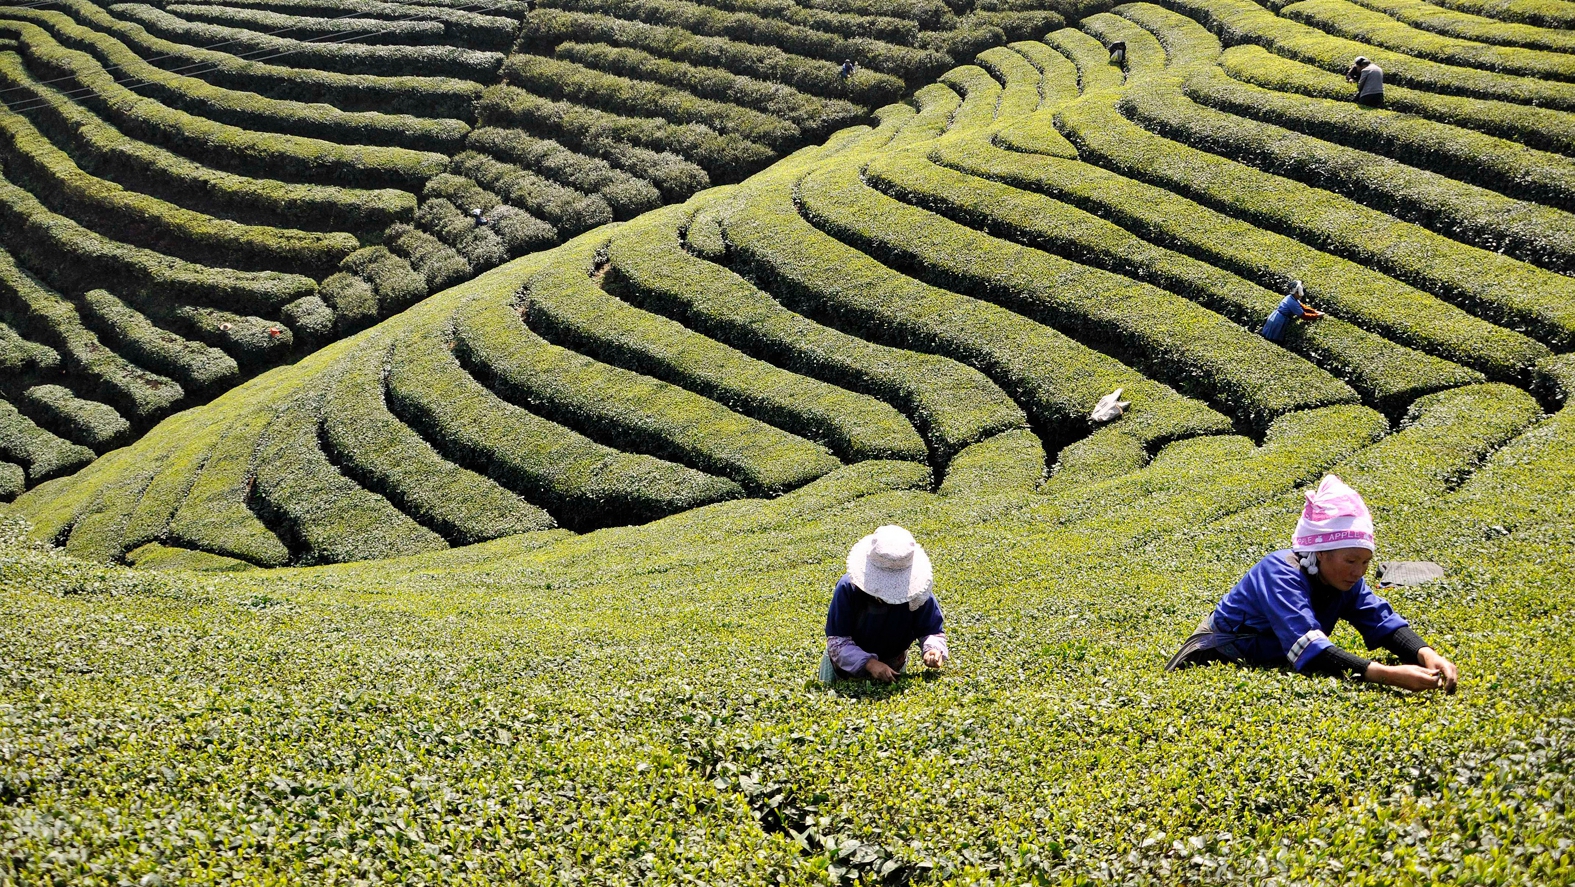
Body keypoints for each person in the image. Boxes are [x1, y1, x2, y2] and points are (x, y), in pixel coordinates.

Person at [1166, 475, 1460, 693]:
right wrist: (1386, 674)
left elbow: (1379, 619)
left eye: (1366, 562)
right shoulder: (1279, 573)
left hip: (1271, 656)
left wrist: (1427, 654)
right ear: (1320, 553)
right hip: (1217, 656)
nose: (1359, 571)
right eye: (1350, 561)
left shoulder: (1345, 580)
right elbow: (1309, 647)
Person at [819, 525, 950, 684]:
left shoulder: (918, 592)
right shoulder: (849, 589)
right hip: (843, 668)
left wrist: (933, 650)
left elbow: (932, 629)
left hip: (893, 667)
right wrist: (869, 663)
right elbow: (837, 641)